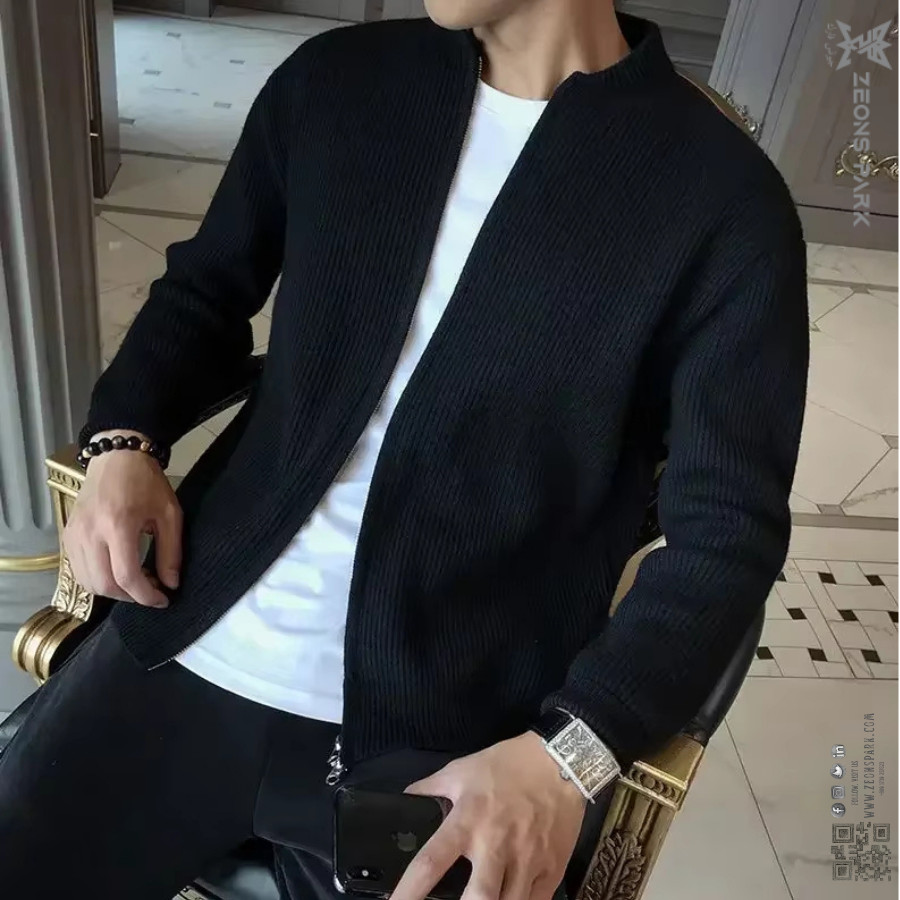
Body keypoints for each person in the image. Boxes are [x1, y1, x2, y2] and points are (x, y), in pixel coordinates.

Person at [0, 0, 809, 898]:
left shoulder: (723, 200)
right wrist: (122, 441)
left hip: (446, 731)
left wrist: (568, 755)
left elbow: (726, 536)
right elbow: (202, 293)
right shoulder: (336, 83)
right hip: (187, 639)